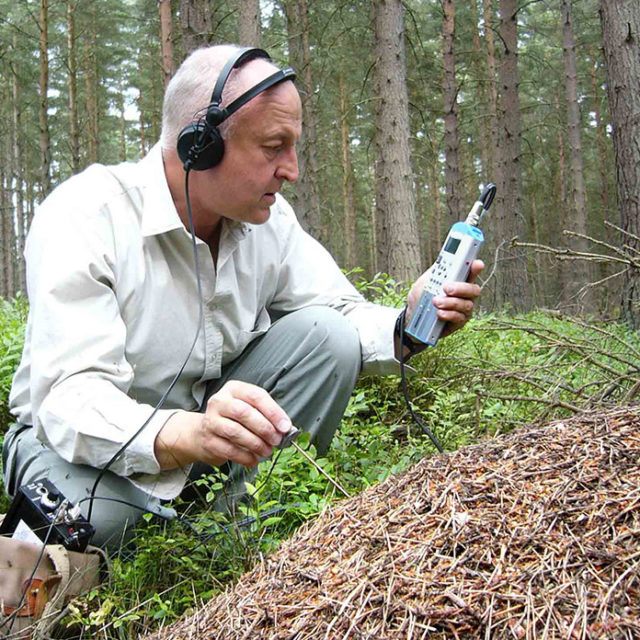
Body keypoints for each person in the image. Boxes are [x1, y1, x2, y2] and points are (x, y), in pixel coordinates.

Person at [2, 44, 483, 552]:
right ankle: (150, 546)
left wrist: (407, 323)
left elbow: (339, 311)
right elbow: (71, 401)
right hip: (74, 448)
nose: (292, 170)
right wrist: (189, 433)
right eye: (274, 147)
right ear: (200, 145)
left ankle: (234, 543)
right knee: (99, 523)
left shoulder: (269, 223)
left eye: (294, 147)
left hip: (204, 443)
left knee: (329, 337)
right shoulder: (88, 216)